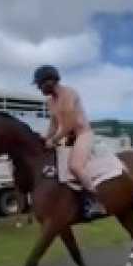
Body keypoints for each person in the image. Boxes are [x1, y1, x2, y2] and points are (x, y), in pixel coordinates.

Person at [32, 65, 102, 209]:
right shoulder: (50, 102)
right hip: (68, 138)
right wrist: (45, 138)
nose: (39, 88)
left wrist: (54, 140)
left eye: (40, 84)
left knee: (75, 166)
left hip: (83, 135)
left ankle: (96, 201)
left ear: (50, 81)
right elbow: (53, 123)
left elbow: (69, 123)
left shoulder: (69, 94)